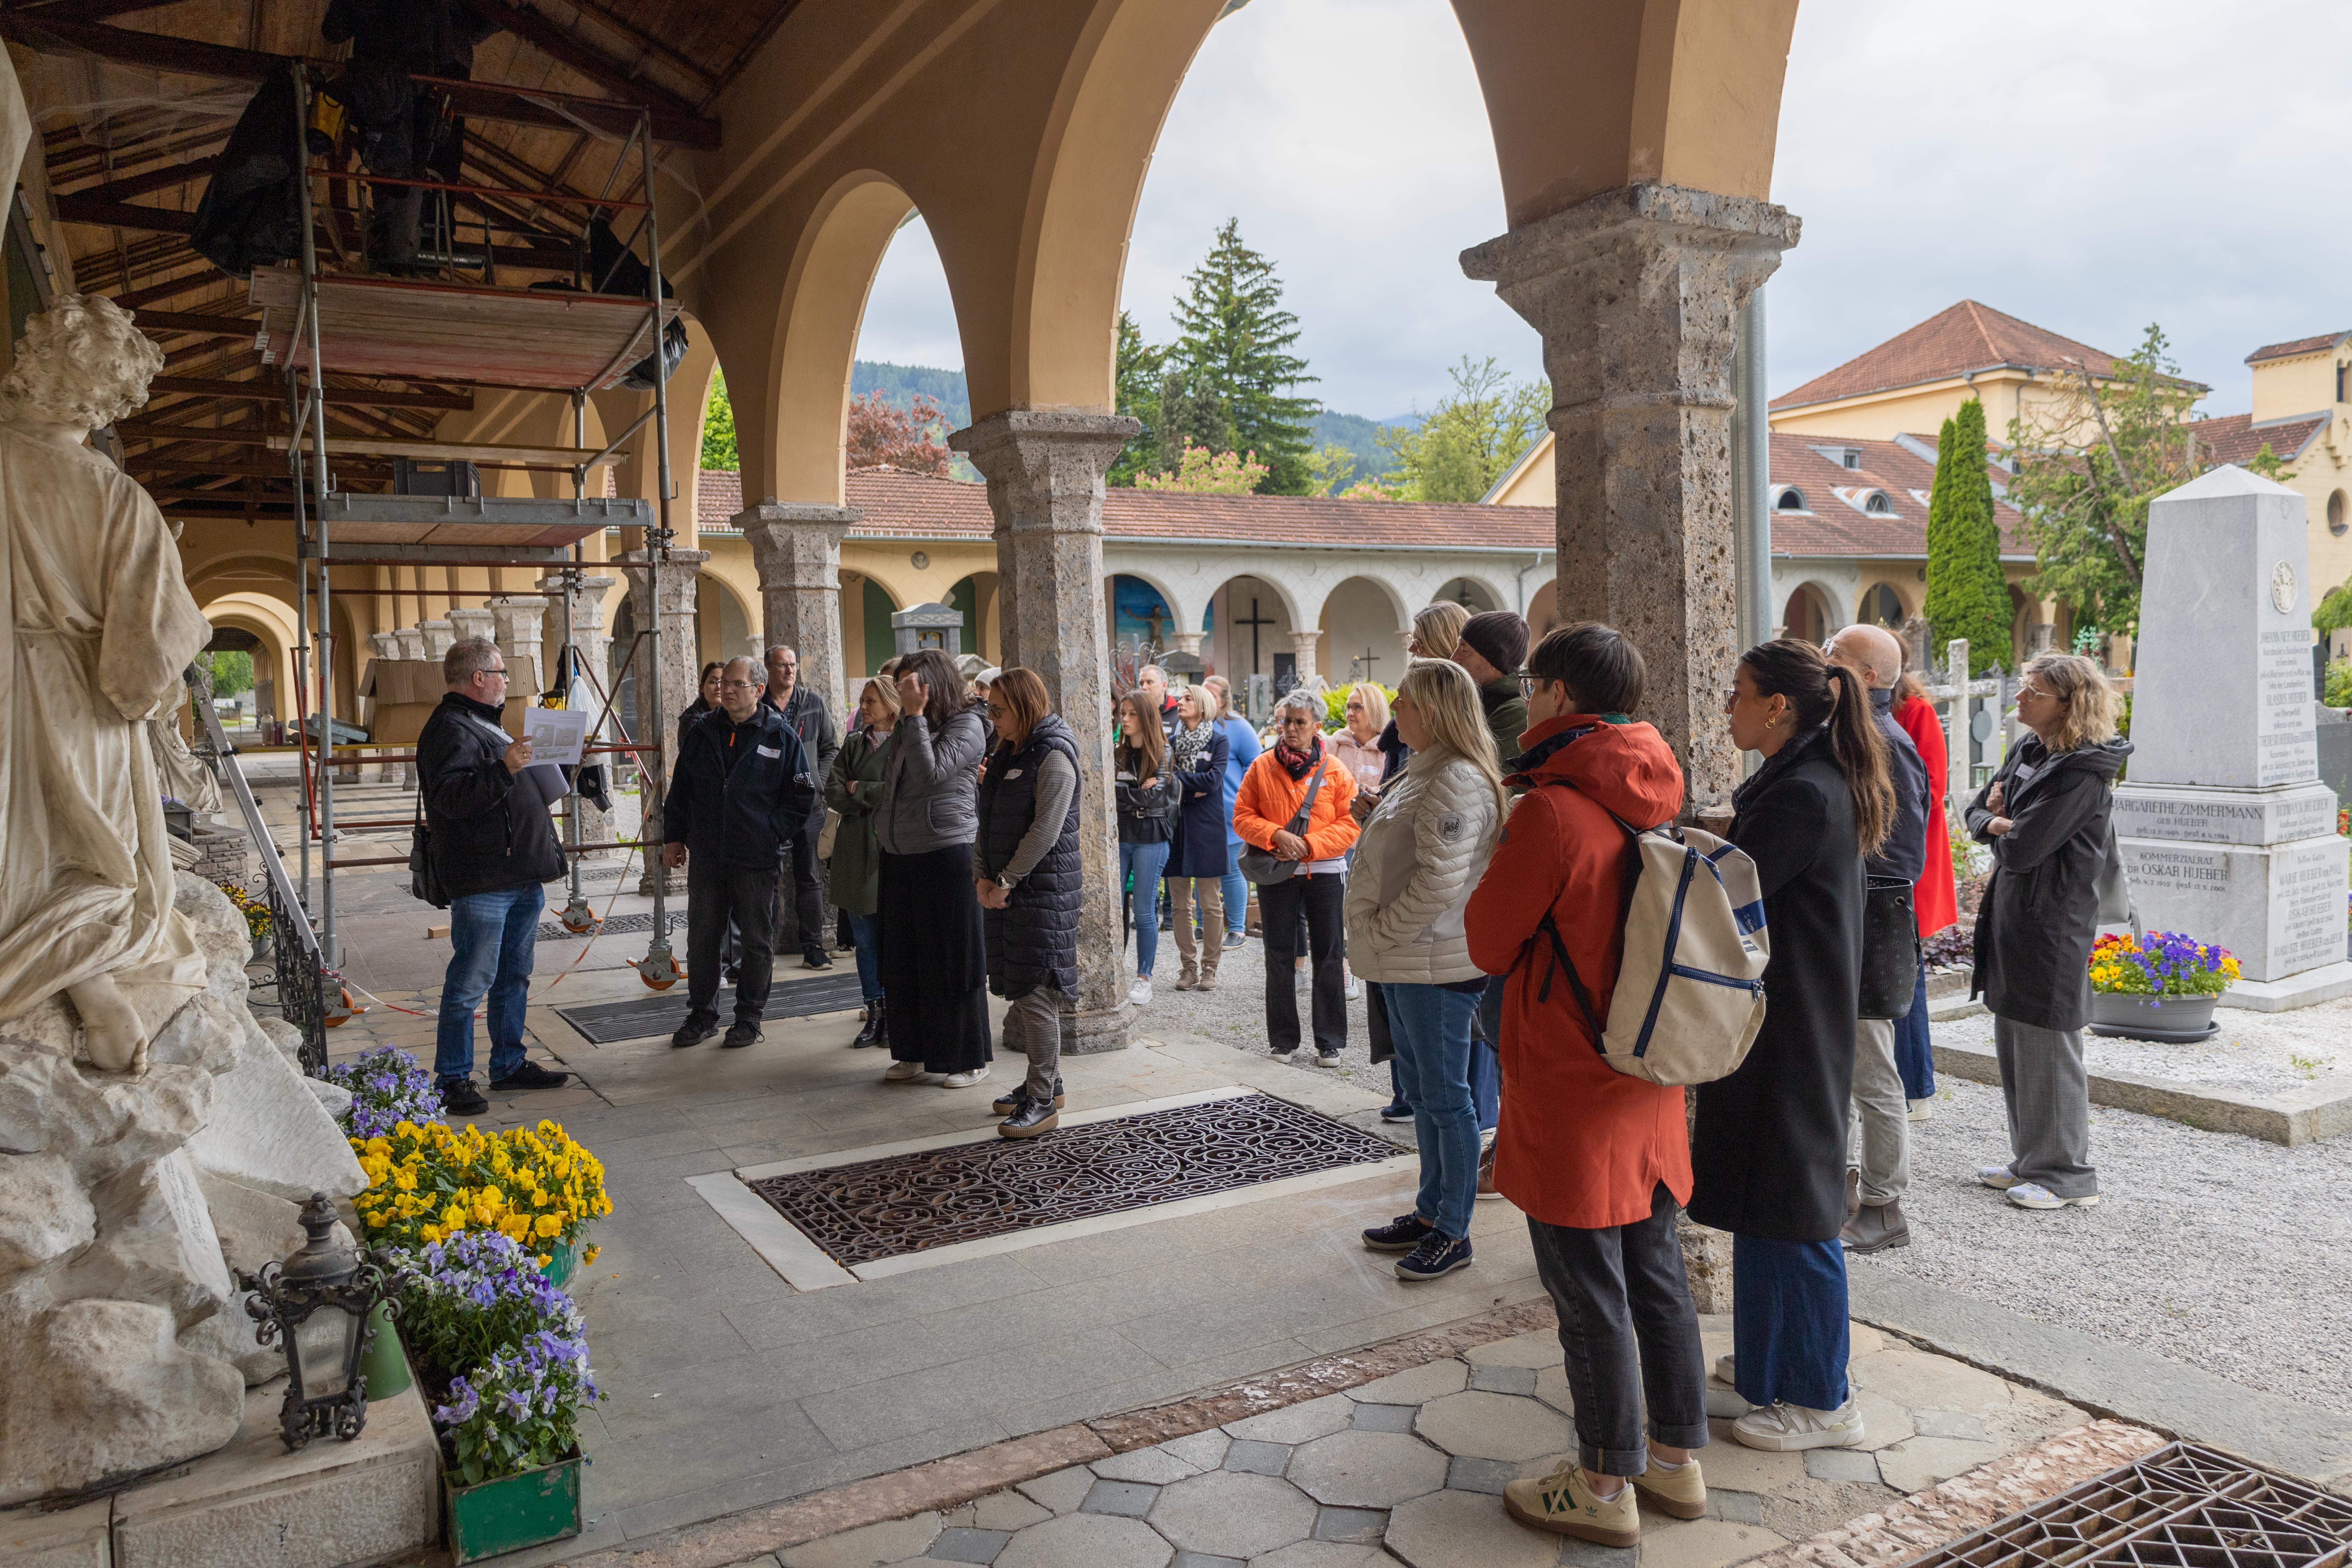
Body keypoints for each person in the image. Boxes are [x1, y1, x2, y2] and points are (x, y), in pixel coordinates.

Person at [1466, 623, 1708, 1546]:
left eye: (1536, 684)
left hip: (1570, 1078)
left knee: (1587, 1292)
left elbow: (1489, 939)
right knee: (1656, 1273)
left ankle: (1605, 1485)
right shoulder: (1654, 792)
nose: (1529, 698)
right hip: (1647, 1065)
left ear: (1561, 695)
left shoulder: (1554, 812)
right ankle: (1675, 1462)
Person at [1695, 639, 1894, 1453]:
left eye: (1738, 692)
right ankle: (1769, 1364)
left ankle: (1823, 1398)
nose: (1728, 708)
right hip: (1780, 1020)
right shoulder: (1799, 777)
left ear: (1778, 706)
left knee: (1798, 1207)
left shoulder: (1807, 792)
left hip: (1795, 1027)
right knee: (1763, 1199)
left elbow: (1726, 896)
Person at [1347, 659, 1502, 1283]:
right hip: (1410, 959)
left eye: (1404, 702)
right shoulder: (1428, 769)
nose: (1394, 712)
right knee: (1426, 1098)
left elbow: (1440, 882)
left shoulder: (1456, 778)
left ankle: (1453, 1232)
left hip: (1433, 962)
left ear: (1432, 713)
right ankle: (1431, 1211)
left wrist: (1382, 931)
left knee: (1446, 1100)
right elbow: (1418, 855)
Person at [1966, 654, 2131, 1212]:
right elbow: (1975, 811)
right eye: (2022, 686)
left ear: (2068, 704)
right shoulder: (2031, 750)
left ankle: (2067, 1176)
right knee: (2016, 1038)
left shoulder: (2082, 772)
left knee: (2050, 1043)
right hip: (2015, 912)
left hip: (2053, 922)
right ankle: (2031, 1160)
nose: (2019, 697)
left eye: (2033, 692)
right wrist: (1998, 819)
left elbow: (2024, 848)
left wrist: (2001, 822)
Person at [419, 637, 573, 1115]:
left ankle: (508, 1063)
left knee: (513, 977)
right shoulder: (449, 728)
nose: (507, 680)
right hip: (485, 879)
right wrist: (505, 769)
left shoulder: (483, 722)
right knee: (471, 981)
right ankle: (452, 1078)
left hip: (519, 874)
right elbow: (451, 800)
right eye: (502, 673)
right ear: (479, 677)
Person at [1824, 625, 1932, 1254]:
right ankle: (1839, 1189)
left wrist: (1837, 876)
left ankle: (1885, 1205)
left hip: (1870, 925)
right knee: (1842, 1067)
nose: (1822, 660)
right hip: (1850, 920)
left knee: (1872, 1071)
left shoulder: (1886, 742)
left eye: (1834, 654)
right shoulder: (1854, 734)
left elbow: (1904, 855)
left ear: (1865, 676)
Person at [662, 658, 818, 1049]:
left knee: (757, 941)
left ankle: (749, 1018)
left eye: (736, 684)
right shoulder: (702, 733)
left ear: (758, 690)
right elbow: (680, 791)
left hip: (756, 859)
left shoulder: (780, 736)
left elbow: (802, 796)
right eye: (723, 683)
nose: (726, 690)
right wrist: (674, 838)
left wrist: (771, 833)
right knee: (702, 939)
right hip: (709, 857)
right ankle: (702, 1015)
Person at [874, 648, 994, 1086]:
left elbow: (930, 774)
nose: (901, 692)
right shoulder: (910, 723)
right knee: (903, 956)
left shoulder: (969, 724)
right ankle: (914, 1051)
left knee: (953, 958)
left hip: (947, 851)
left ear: (932, 684)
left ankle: (967, 1058)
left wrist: (914, 717)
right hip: (900, 851)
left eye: (908, 684)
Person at [974, 668, 1082, 1137]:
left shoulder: (1054, 755)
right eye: (989, 708)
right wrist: (982, 875)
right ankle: (1047, 1082)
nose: (992, 717)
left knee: (1036, 992)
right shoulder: (1009, 750)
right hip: (1011, 889)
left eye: (999, 709)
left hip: (1042, 893)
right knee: (1022, 986)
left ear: (1025, 707)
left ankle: (1042, 1100)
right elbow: (986, 819)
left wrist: (1005, 880)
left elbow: (1046, 831)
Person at [1234, 690, 1360, 1063]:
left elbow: (1351, 822)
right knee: (1278, 953)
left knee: (1329, 954)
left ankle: (1330, 1040)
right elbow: (1242, 816)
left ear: (1317, 727)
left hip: (1325, 870)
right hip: (1278, 871)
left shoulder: (1336, 770)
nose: (1290, 728)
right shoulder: (1262, 766)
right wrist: (1275, 835)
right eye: (1286, 721)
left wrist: (1308, 845)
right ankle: (1283, 1040)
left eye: (1299, 722)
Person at [1454, 611, 1526, 1185]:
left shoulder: (1509, 717)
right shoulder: (1486, 710)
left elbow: (1486, 789)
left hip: (1501, 883)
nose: (1454, 658)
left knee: (1504, 1033)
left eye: (1462, 650)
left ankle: (1511, 1149)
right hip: (1484, 884)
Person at [1892, 663, 1957, 1119]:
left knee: (1902, 976)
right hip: (1887, 860)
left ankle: (1916, 1090)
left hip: (1907, 862)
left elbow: (1930, 791)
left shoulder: (1916, 711)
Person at [759, 644, 842, 970]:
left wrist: (817, 783)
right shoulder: (759, 706)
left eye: (793, 664)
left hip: (809, 806)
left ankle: (814, 948)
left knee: (810, 878)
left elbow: (831, 748)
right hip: (770, 807)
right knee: (768, 878)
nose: (790, 670)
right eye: (782, 665)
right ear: (768, 668)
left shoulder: (813, 703)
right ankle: (764, 950)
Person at [827, 675, 899, 1047]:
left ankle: (898, 1011)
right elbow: (833, 791)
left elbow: (904, 792)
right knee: (865, 938)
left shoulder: (906, 742)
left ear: (891, 705)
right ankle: (875, 1011)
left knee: (894, 936)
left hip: (891, 848)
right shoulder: (854, 742)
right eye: (862, 700)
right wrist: (872, 794)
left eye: (871, 701)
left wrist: (861, 789)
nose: (864, 707)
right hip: (855, 850)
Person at [1162, 683, 1233, 991]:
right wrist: (1191, 785)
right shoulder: (1170, 742)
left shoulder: (1219, 741)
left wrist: (1180, 783)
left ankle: (1210, 969)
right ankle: (1188, 968)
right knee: (1179, 904)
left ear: (1203, 706)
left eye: (1188, 698)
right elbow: (1165, 780)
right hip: (1176, 825)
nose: (1180, 702)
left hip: (1207, 827)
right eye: (1181, 697)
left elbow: (1213, 781)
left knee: (1211, 903)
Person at [1114, 691, 1180, 1004]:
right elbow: (1113, 793)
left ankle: (1144, 978)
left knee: (1143, 910)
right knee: (1113, 908)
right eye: (1123, 714)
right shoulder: (1118, 753)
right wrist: (1136, 792)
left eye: (1132, 714)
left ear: (1146, 717)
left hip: (1151, 837)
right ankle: (1113, 970)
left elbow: (1154, 798)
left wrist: (1125, 792)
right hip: (1120, 836)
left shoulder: (1163, 752)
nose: (1125, 719)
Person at [1205, 674, 1260, 948]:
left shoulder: (1239, 728)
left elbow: (1256, 763)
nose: (1204, 699)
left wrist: (1241, 796)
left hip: (1229, 812)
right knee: (1204, 871)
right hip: (1201, 811)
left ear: (1223, 701)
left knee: (1232, 871)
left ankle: (1237, 929)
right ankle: (1205, 925)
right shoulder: (1190, 724)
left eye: (1211, 695)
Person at [678, 661, 722, 756]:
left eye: (723, 682)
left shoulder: (734, 715)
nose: (719, 687)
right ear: (702, 688)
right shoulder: (692, 720)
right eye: (713, 682)